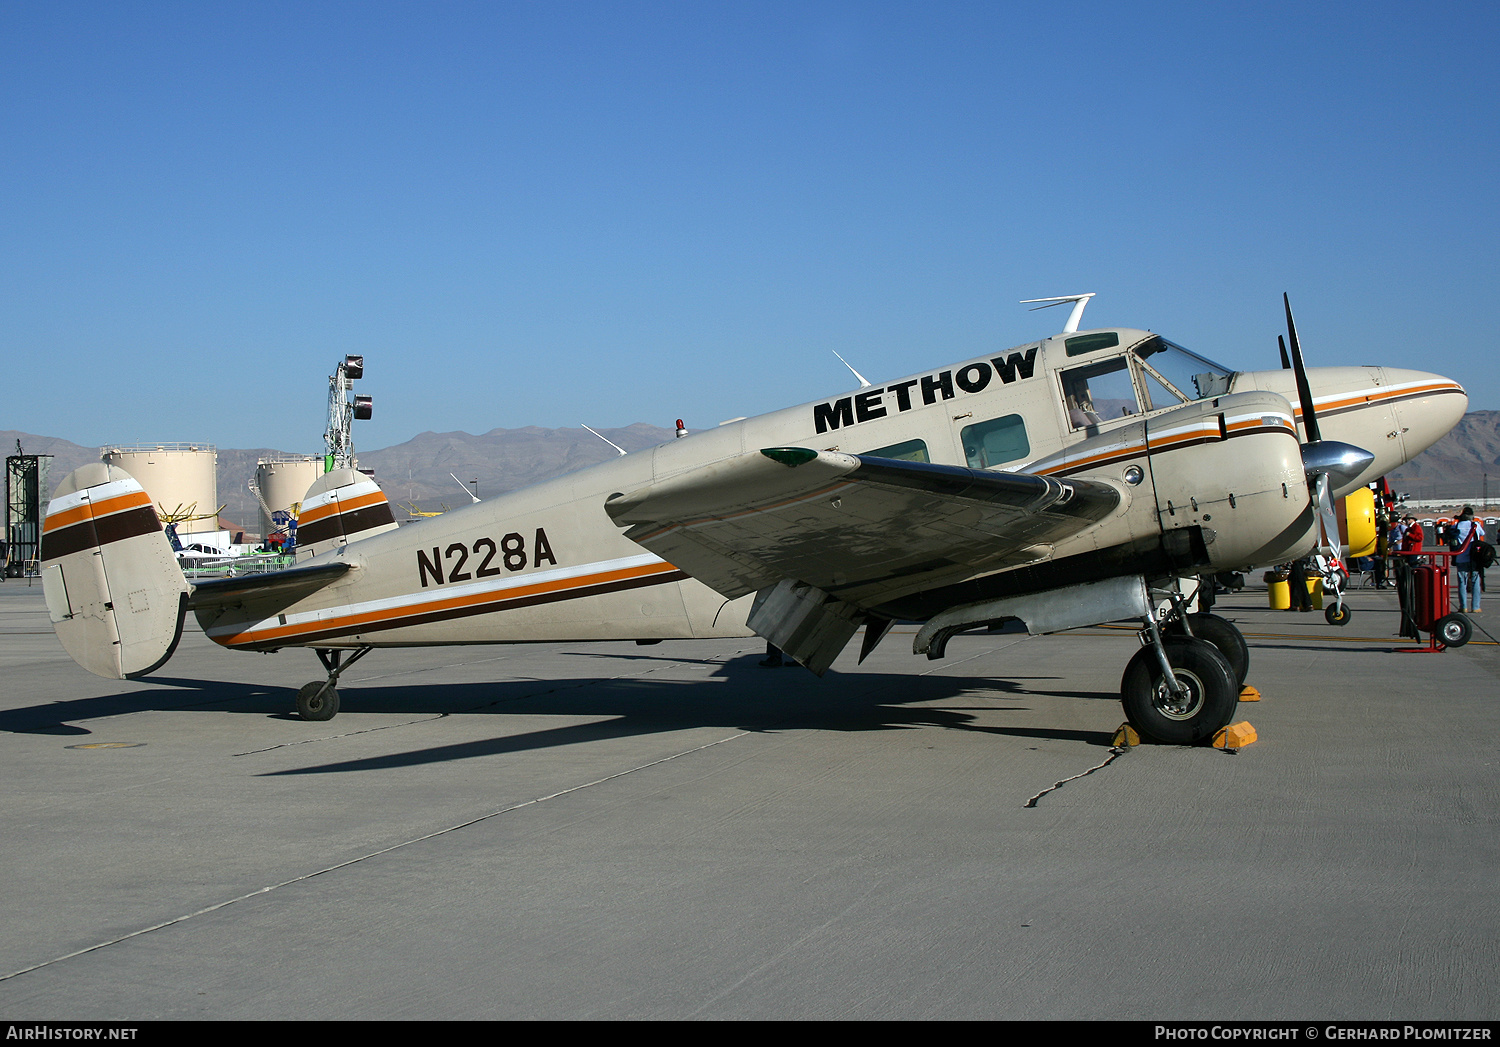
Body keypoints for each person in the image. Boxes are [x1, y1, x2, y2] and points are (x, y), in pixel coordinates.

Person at [1452, 506, 1485, 613]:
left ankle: (1463, 606)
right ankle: (1475, 606)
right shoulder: (1475, 525)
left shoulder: (1456, 526)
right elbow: (1482, 534)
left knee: (1462, 582)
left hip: (1460, 557)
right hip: (1474, 557)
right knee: (1475, 581)